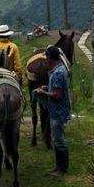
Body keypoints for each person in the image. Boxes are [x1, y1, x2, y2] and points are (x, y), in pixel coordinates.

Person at [37, 45, 71, 176]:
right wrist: (48, 87)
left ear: (50, 58)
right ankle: (58, 167)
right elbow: (58, 89)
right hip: (61, 110)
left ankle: (62, 169)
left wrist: (43, 92)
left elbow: (57, 95)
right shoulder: (61, 69)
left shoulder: (56, 74)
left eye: (46, 56)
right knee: (57, 139)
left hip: (57, 111)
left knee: (59, 140)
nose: (46, 59)